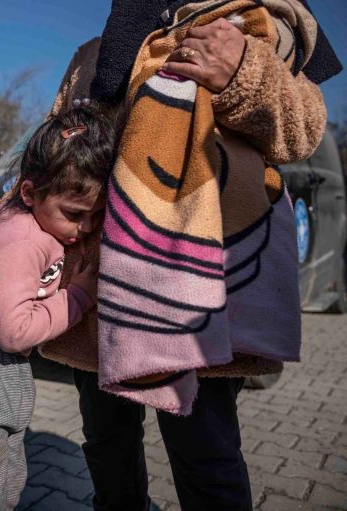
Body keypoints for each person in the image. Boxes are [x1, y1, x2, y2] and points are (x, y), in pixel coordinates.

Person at [39, 1, 342, 510]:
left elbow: (304, 131)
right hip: (98, 283)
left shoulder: (247, 30)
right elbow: (53, 148)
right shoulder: (94, 54)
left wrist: (243, 72)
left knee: (205, 453)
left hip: (195, 281)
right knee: (105, 440)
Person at [0, 106, 115, 510]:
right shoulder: (25, 241)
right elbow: (13, 331)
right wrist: (79, 295)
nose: (85, 229)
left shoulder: (15, 210)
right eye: (75, 215)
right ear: (29, 193)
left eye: (97, 217)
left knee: (4, 481)